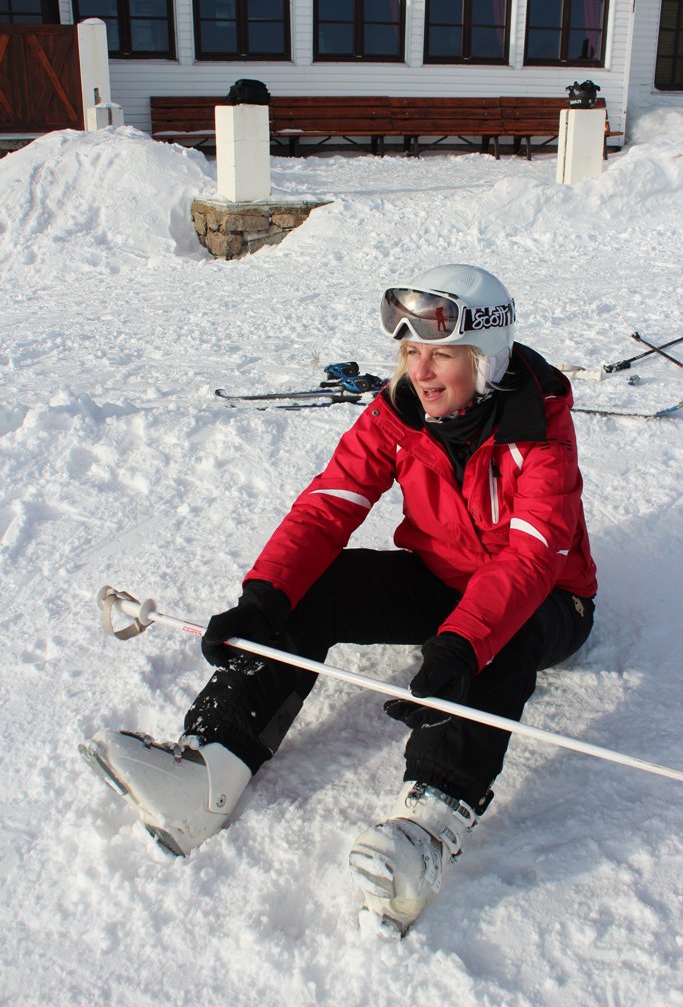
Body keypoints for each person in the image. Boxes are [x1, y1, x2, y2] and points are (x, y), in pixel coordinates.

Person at [81, 264, 597, 935]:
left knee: (502, 636)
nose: (420, 370)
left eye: (441, 354)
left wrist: (462, 642)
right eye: (410, 351)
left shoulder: (539, 430)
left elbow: (531, 557)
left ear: (484, 357)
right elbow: (330, 504)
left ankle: (426, 828)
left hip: (549, 600)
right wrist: (264, 596)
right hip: (441, 577)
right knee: (314, 585)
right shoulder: (398, 412)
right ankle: (210, 764)